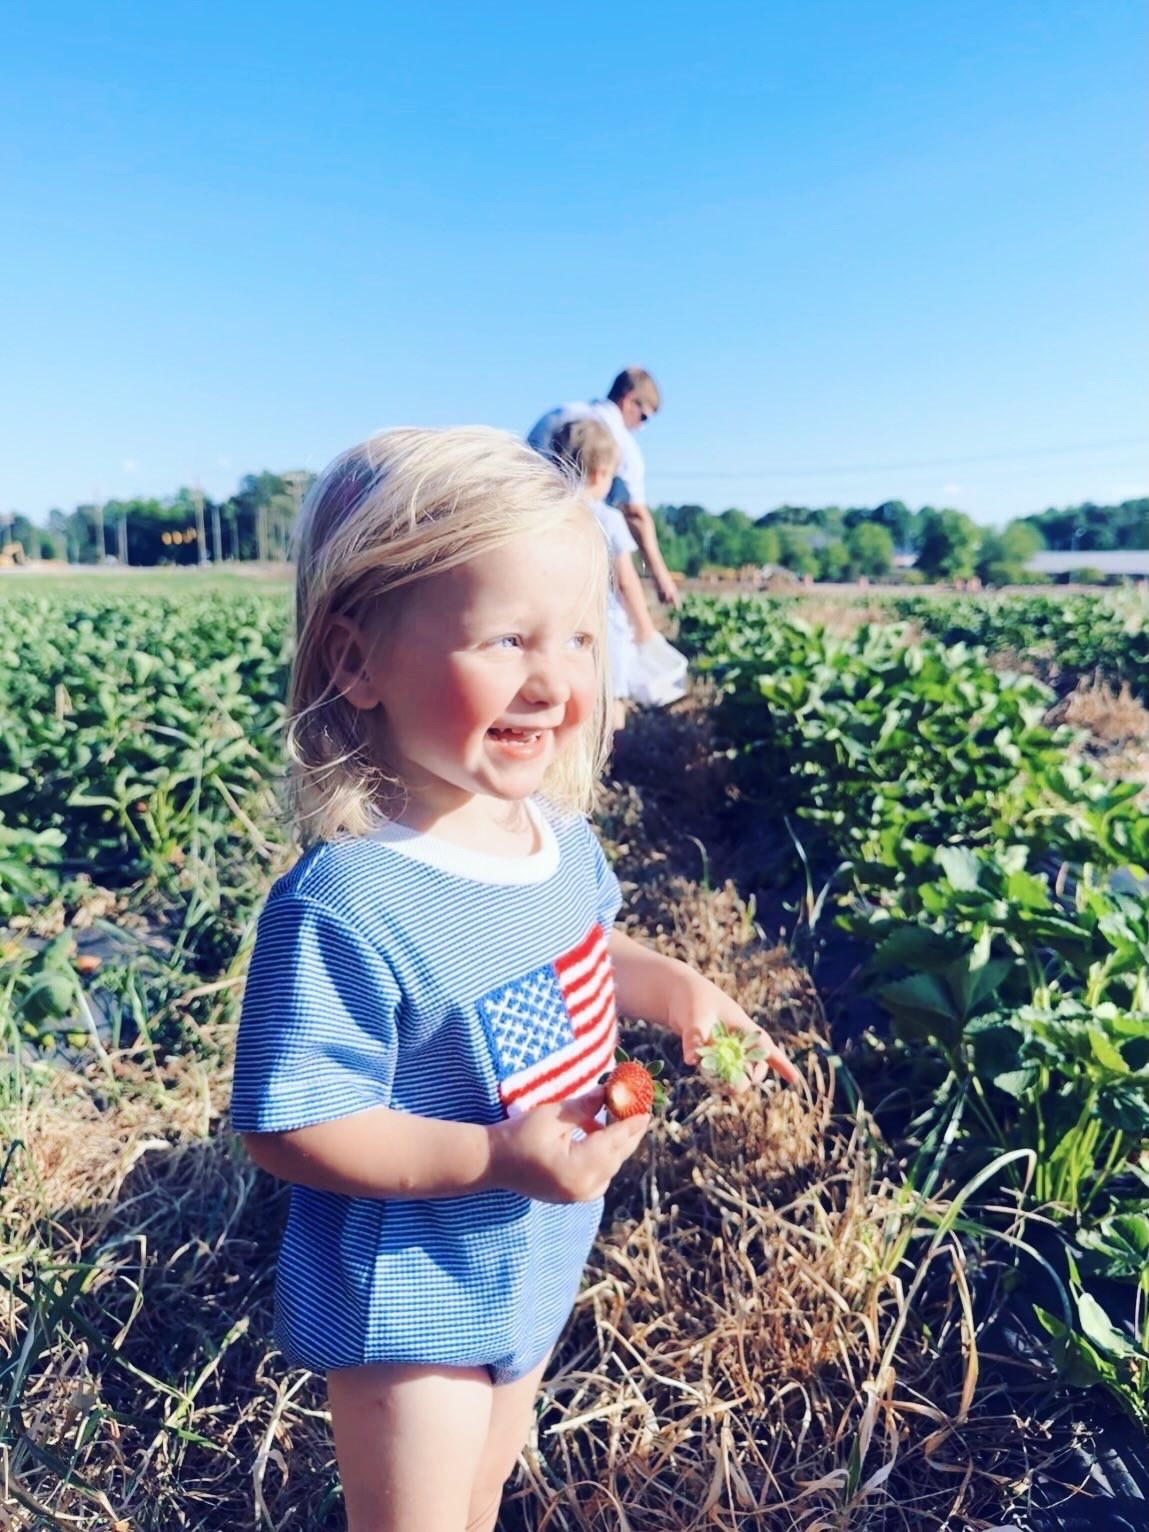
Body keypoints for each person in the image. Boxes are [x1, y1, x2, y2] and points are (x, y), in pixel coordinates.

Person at [230, 425, 799, 1532]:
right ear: (355, 657)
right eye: (505, 639)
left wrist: (673, 983)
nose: (553, 680)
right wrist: (492, 1154)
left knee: (486, 1488)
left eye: (580, 638)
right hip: (413, 1289)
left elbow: (586, 952)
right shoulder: (351, 899)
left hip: (534, 1248)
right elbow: (290, 1124)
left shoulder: (550, 836)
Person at [527, 366, 683, 610]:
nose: (641, 428)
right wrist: (661, 578)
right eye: (644, 418)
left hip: (529, 540)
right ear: (629, 400)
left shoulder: (556, 415)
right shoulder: (620, 443)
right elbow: (636, 515)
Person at [548, 413, 657, 731]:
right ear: (601, 474)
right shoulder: (607, 520)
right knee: (610, 705)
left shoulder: (549, 517)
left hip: (558, 631)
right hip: (604, 630)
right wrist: (644, 627)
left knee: (565, 706)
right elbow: (625, 581)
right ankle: (604, 771)